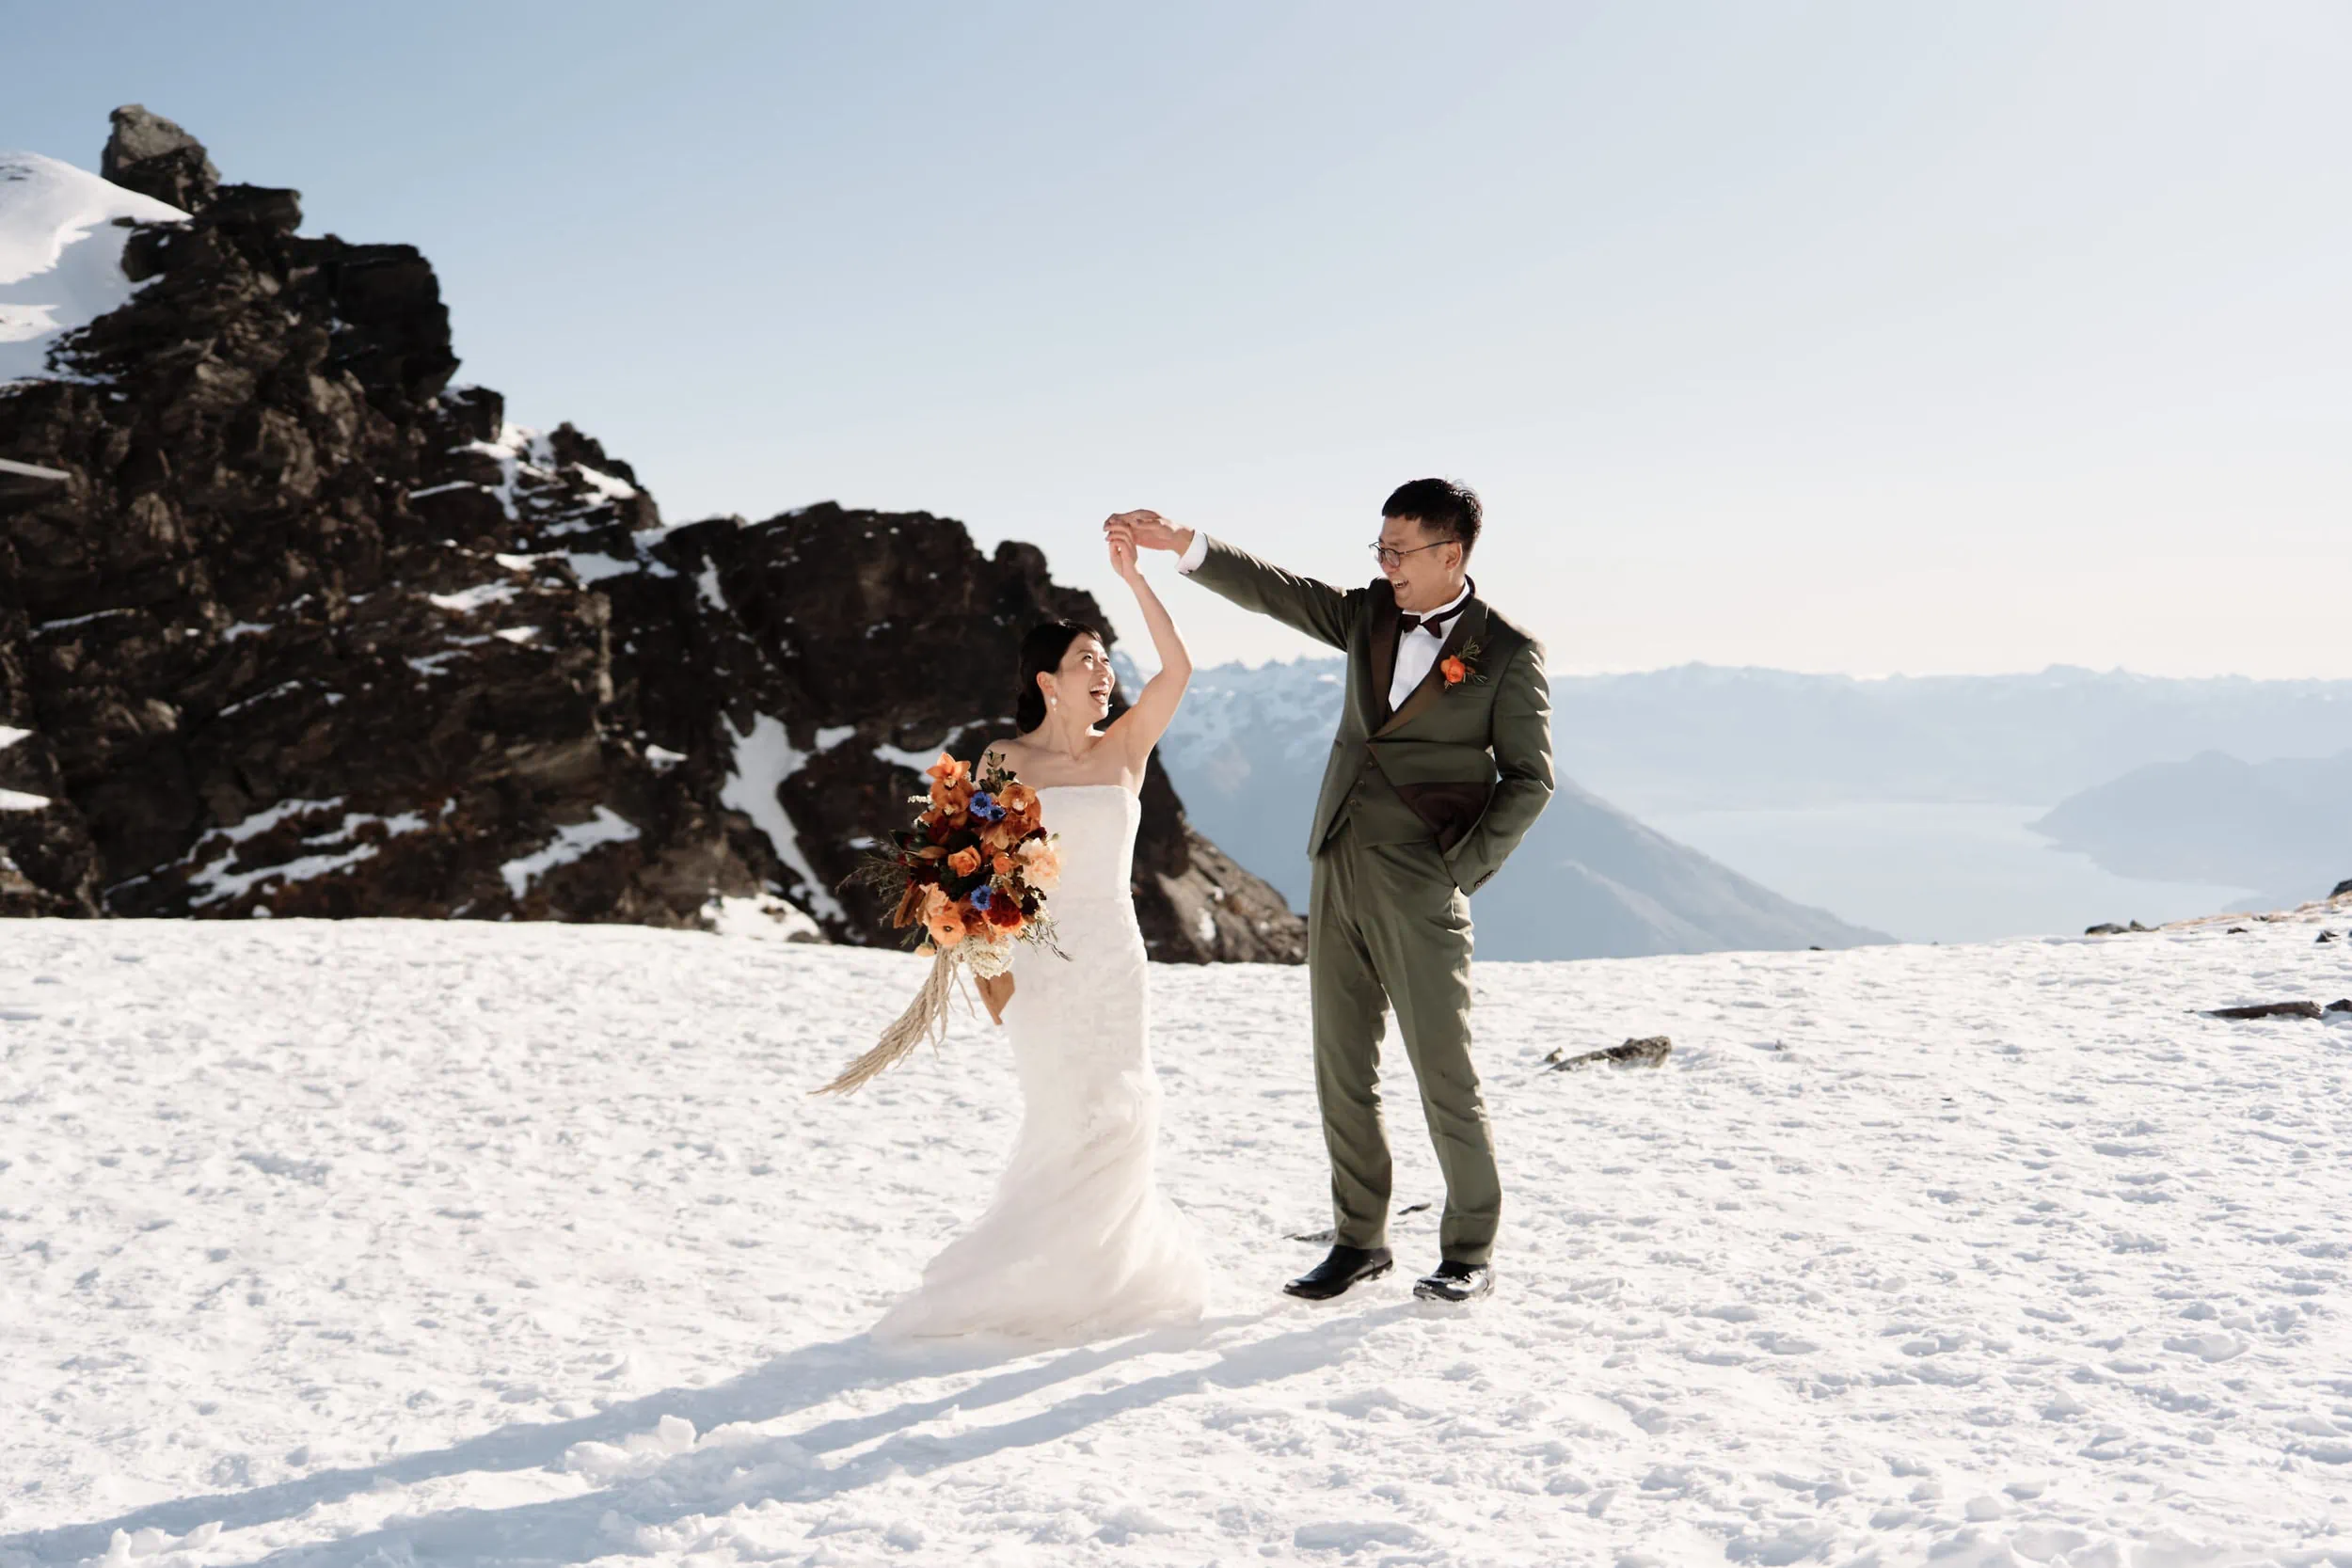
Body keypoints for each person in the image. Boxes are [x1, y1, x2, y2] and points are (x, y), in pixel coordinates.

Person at [1105, 480, 1553, 1304]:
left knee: (1442, 1071)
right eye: (1378, 549)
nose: (1385, 565)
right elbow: (1279, 593)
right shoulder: (1369, 613)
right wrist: (1184, 543)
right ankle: (1360, 1239)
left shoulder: (1508, 654)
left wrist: (1458, 870)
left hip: (1423, 881)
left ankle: (1469, 1247)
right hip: (1336, 864)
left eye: (1400, 551)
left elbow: (1530, 780)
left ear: (1451, 554)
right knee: (1342, 1066)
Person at [871, 525, 1211, 1343]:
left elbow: (1178, 670)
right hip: (1038, 967)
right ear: (1047, 682)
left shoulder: (1124, 747)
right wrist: (991, 977)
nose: (1106, 673)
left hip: (1116, 960)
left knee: (1123, 1109)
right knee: (1062, 1111)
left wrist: (1134, 579)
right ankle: (1038, 1279)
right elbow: (973, 879)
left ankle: (1107, 1278)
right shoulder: (1004, 759)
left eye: (1106, 659)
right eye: (1087, 661)